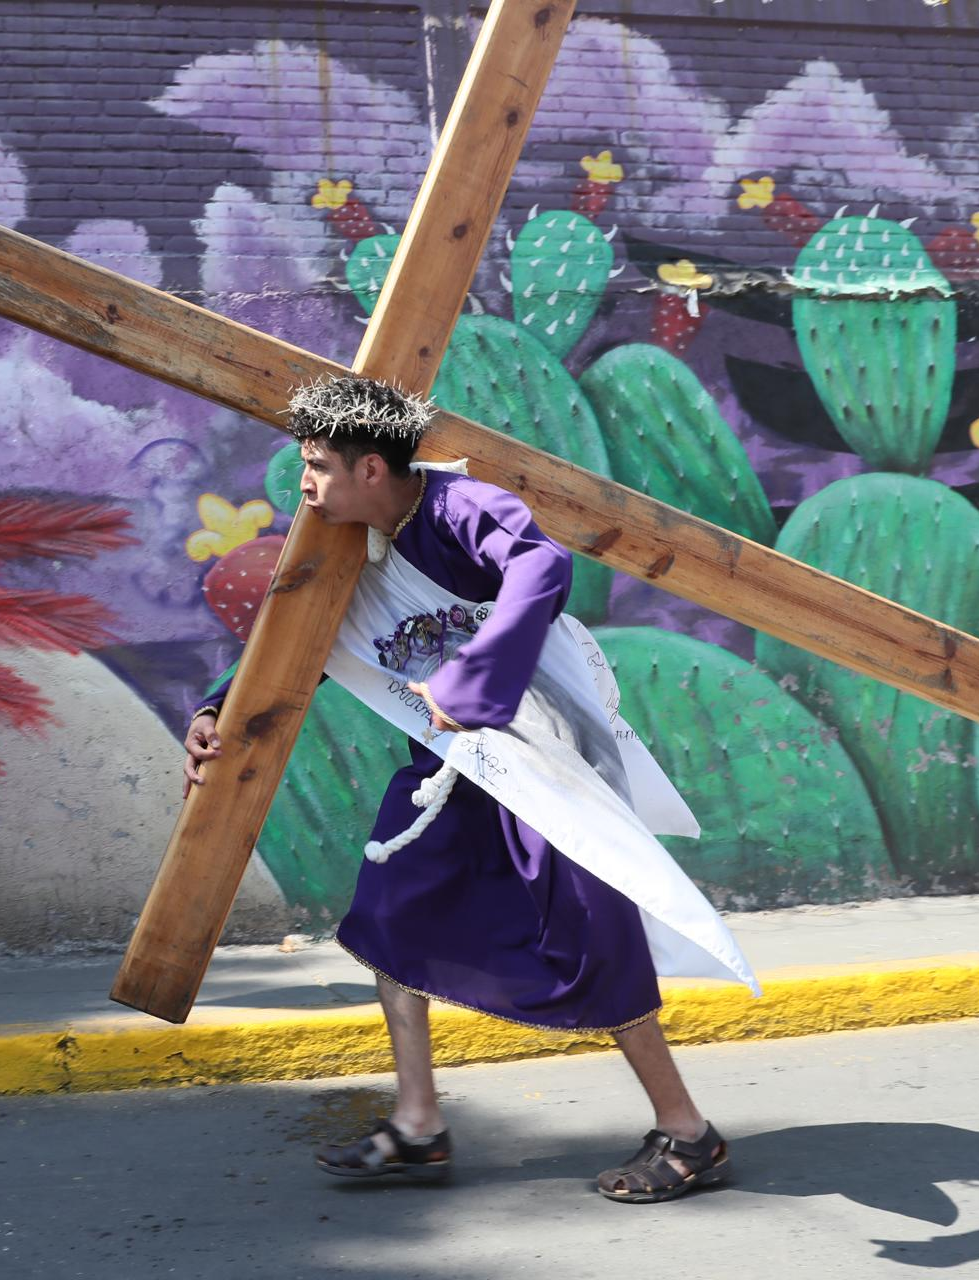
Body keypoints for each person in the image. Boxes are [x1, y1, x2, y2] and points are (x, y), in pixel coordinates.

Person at [182, 374, 744, 1204]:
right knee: (389, 920)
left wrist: (477, 682)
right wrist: (218, 706)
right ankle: (418, 1127)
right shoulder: (342, 544)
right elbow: (301, 633)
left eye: (318, 465)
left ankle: (689, 1135)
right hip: (448, 770)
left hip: (536, 761)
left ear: (372, 468)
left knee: (593, 940)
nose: (304, 484)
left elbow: (541, 564)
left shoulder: (459, 509)